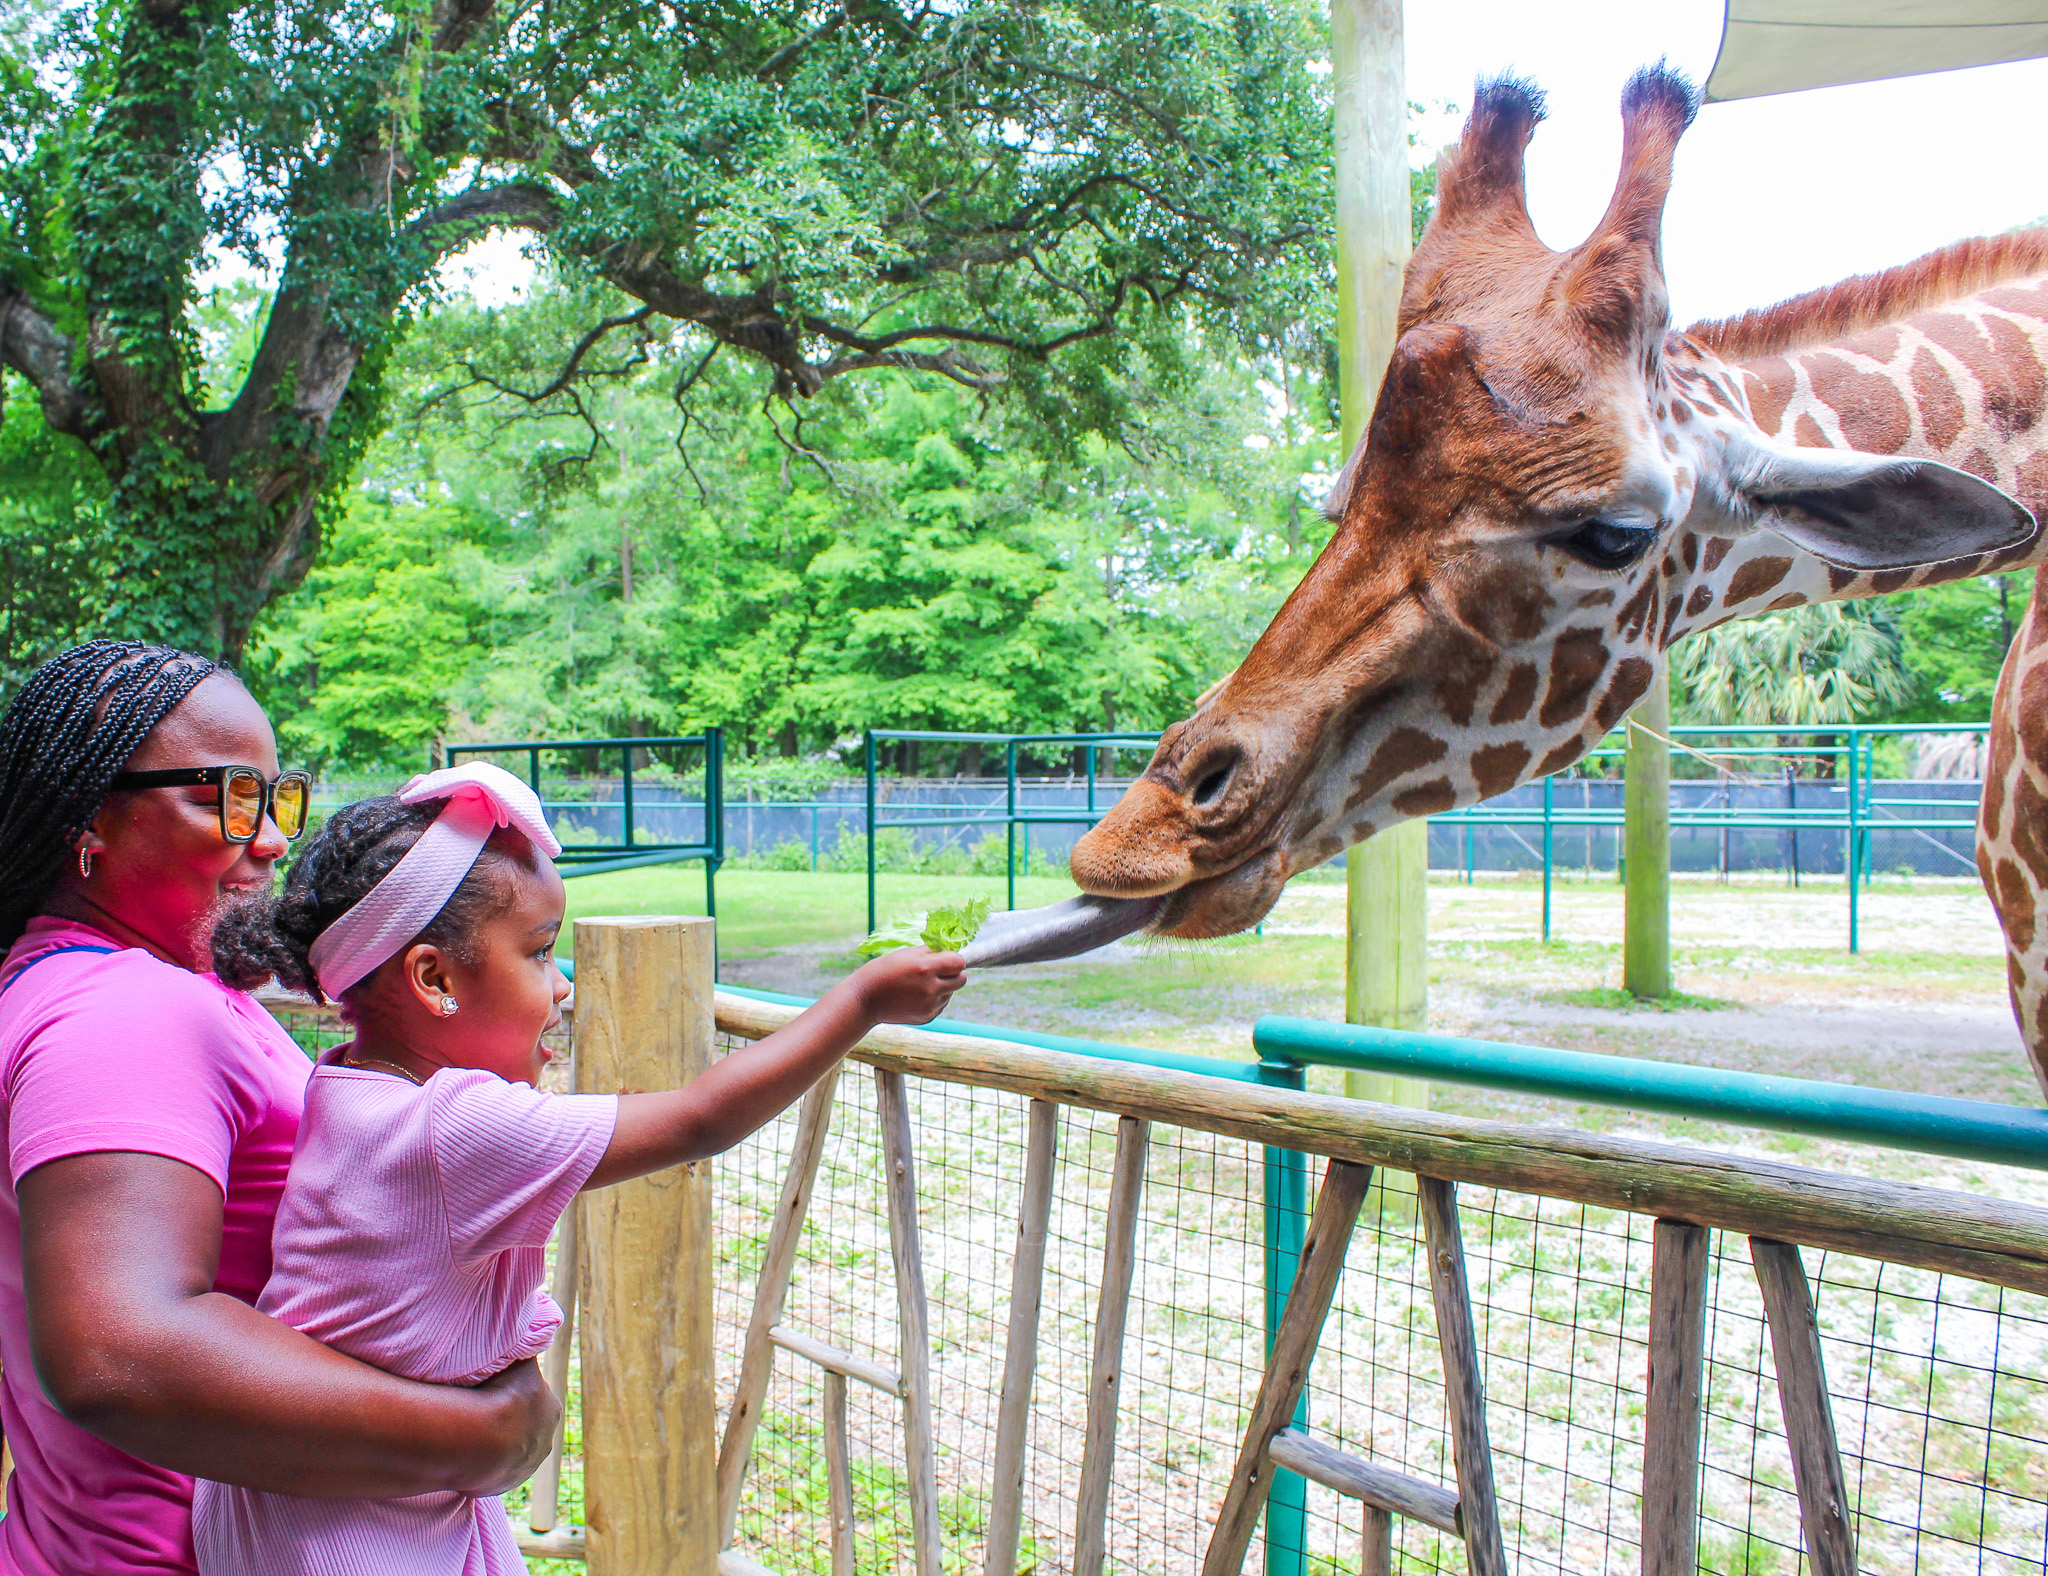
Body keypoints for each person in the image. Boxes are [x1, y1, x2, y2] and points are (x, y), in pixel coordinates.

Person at [194, 761, 963, 1573]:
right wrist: (864, 1002)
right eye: (538, 954)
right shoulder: (455, 1131)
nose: (560, 988)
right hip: (365, 1533)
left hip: (293, 1502)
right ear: (433, 978)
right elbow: (705, 1118)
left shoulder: (351, 1086)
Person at [0, 642, 560, 1576]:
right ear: (92, 815)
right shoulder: (126, 1014)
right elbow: (117, 1351)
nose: (269, 839)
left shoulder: (81, 981)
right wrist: (473, 1439)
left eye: (274, 798)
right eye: (227, 798)